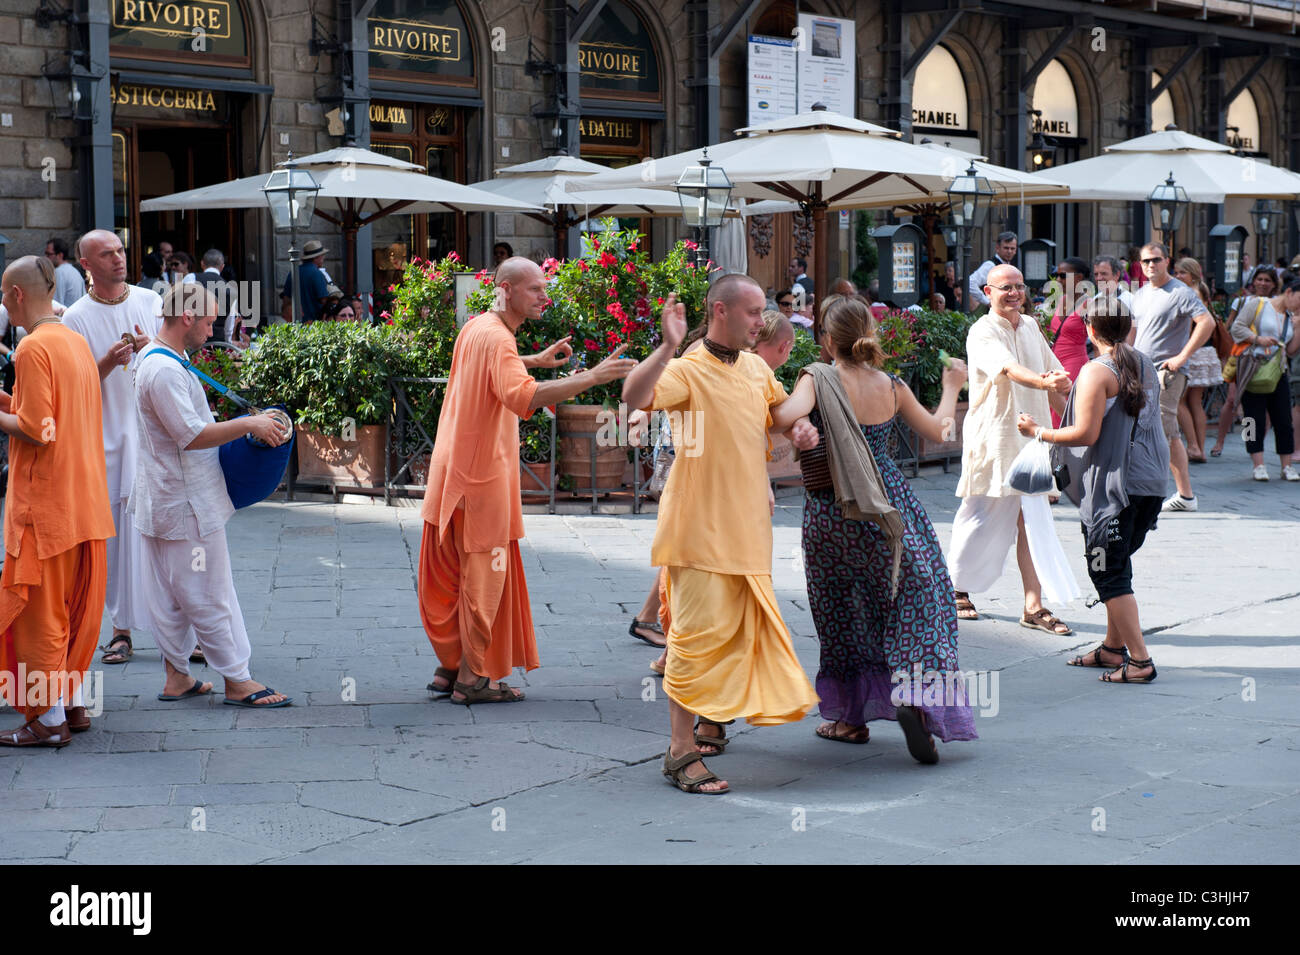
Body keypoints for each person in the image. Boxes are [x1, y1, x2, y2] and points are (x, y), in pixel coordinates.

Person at [622, 273, 820, 795]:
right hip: (698, 529)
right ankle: (680, 751)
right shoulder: (687, 370)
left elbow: (775, 416)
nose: (763, 321)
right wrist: (666, 346)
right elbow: (634, 397)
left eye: (762, 312)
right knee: (691, 641)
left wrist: (797, 426)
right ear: (720, 311)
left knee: (734, 635)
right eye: (754, 312)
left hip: (748, 527)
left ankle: (711, 721)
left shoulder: (755, 366)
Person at [419, 258, 635, 704]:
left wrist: (533, 360)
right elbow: (525, 396)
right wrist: (591, 378)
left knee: (458, 575)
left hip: (453, 471)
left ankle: (450, 666)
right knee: (484, 578)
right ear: (506, 289)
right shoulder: (498, 339)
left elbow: (493, 372)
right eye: (535, 288)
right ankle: (473, 679)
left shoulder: (479, 327)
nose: (543, 295)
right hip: (481, 481)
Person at [770, 296, 976, 758]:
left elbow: (780, 416)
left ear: (826, 339)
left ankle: (850, 720)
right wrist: (951, 386)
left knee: (842, 609)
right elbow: (941, 432)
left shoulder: (816, 377)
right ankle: (918, 697)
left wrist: (802, 423)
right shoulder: (892, 384)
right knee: (916, 597)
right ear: (871, 334)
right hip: (888, 507)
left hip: (833, 509)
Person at [132, 284, 293, 708]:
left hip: (163, 500)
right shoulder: (164, 369)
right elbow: (192, 436)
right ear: (186, 317)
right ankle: (238, 681)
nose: (212, 329)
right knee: (208, 592)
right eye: (207, 321)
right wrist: (249, 425)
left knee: (171, 595)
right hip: (186, 505)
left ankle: (177, 677)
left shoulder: (157, 357)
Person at [1019, 301, 1167, 684]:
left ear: (1088, 328)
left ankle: (1140, 661)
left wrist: (1038, 431)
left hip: (1115, 487)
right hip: (1150, 482)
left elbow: (1085, 433)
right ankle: (1111, 648)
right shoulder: (1144, 361)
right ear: (1129, 326)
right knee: (1119, 563)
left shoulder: (1095, 371)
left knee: (1108, 571)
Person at [0, 256, 113, 746]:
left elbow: (38, 430)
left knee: (40, 615)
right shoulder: (74, 341)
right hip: (85, 501)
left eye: (4, 295)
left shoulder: (31, 347)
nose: (3, 304)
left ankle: (47, 723)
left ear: (18, 295)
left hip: (45, 507)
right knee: (74, 609)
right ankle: (71, 704)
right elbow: (56, 416)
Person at [949, 264, 1079, 632]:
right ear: (988, 293)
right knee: (979, 513)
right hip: (994, 436)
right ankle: (955, 587)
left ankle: (1033, 606)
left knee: (1032, 519)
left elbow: (1057, 380)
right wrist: (1044, 382)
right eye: (1006, 287)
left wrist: (1078, 412)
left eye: (1020, 286)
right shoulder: (982, 331)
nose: (1015, 293)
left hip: (1032, 438)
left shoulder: (1033, 327)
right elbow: (1008, 369)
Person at [62, 229, 162, 666]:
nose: (118, 259)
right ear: (87, 263)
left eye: (120, 250)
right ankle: (120, 630)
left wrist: (150, 347)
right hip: (108, 439)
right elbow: (73, 384)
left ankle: (183, 629)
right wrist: (107, 361)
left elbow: (177, 360)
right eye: (106, 254)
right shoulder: (75, 318)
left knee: (167, 535)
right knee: (117, 539)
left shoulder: (151, 301)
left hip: (153, 436)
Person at [1127, 242, 1214, 512]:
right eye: (1145, 261)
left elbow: (1207, 322)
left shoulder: (1180, 291)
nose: (1150, 265)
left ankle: (1184, 495)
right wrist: (1124, 360)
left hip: (1167, 372)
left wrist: (1182, 357)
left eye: (1156, 260)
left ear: (1167, 261)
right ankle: (1151, 488)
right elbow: (1133, 330)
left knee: (1166, 430)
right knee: (1141, 429)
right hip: (1140, 370)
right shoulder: (1141, 293)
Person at [1230, 278, 1300, 481]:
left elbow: (1292, 351)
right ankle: (1257, 464)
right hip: (1253, 368)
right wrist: (1257, 339)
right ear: (1289, 292)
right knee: (1252, 419)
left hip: (1278, 371)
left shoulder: (1292, 316)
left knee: (1284, 419)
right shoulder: (1259, 304)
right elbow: (1237, 328)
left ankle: (1286, 466)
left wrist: (1298, 329)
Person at [1212, 266, 1280, 456]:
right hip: (1242, 356)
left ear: (1274, 284)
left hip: (1266, 359)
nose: (1263, 283)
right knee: (1233, 400)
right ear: (1254, 281)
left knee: (1260, 404)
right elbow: (1230, 326)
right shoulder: (1241, 301)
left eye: (1267, 280)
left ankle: (1252, 443)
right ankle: (1220, 442)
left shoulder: (1277, 304)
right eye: (1260, 279)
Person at [1171, 258, 1222, 462]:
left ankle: (1193, 446)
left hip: (1192, 352)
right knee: (1195, 402)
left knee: (1179, 402)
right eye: (1176, 272)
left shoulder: (1189, 293)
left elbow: (1191, 327)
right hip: (1204, 351)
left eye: (1182, 273)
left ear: (1192, 274)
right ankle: (1199, 448)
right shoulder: (1201, 290)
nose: (1177, 276)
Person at [280, 239, 330, 323]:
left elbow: (286, 300)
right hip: (314, 323)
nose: (323, 258)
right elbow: (324, 301)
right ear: (316, 257)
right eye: (322, 255)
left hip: (295, 323)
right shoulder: (317, 274)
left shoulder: (294, 272)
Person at [967, 231, 1018, 309]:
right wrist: (987, 302)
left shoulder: (1009, 266)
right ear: (997, 248)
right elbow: (970, 282)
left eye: (1012, 248)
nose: (1009, 251)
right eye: (1006, 248)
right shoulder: (990, 265)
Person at [197, 249, 239, 344]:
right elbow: (229, 327)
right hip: (217, 342)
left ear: (202, 264)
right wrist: (227, 342)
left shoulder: (191, 278)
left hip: (192, 341)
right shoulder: (231, 291)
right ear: (222, 267)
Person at [44, 237, 86, 306]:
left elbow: (56, 304)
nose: (46, 257)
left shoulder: (59, 272)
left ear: (60, 255)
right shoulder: (74, 271)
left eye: (49, 254)